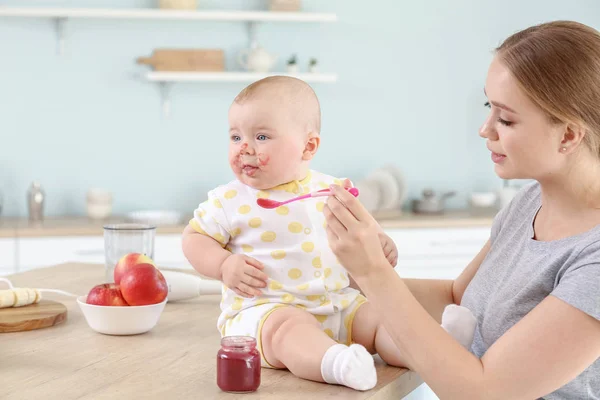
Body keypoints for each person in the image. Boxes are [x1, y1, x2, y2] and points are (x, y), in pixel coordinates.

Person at [323, 20, 600, 399]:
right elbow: (457, 299)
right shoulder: (530, 202)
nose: (485, 129)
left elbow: (484, 390)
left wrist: (374, 273)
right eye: (489, 107)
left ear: (568, 134)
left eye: (506, 118)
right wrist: (341, 277)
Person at [182, 76, 477, 391]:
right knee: (289, 329)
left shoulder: (330, 190)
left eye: (262, 136)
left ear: (308, 146)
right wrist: (224, 265)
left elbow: (362, 226)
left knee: (380, 318)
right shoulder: (229, 200)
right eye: (235, 136)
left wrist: (380, 242)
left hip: (339, 303)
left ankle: (439, 349)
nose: (245, 148)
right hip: (265, 312)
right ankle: (338, 364)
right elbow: (194, 239)